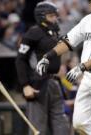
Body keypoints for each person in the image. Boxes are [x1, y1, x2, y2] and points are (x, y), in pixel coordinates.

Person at [36, 0, 91, 134]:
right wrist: (48, 56)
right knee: (79, 123)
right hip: (89, 76)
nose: (90, 2)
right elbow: (68, 41)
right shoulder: (88, 19)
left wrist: (82, 67)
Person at [15, 2, 70, 135]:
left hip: (55, 82)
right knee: (38, 128)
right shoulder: (34, 32)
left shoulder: (54, 33)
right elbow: (20, 59)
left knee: (62, 126)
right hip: (38, 83)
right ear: (41, 17)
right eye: (51, 16)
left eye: (55, 16)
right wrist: (25, 85)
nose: (55, 19)